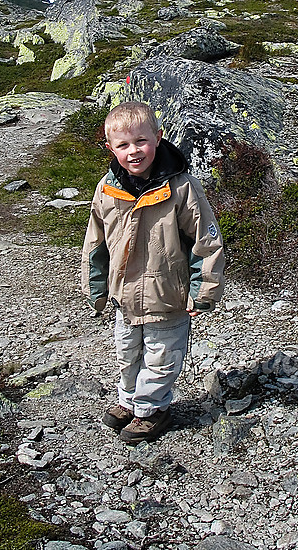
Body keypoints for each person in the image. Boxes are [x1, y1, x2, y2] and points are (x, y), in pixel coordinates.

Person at [81, 101, 225, 444]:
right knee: (126, 352)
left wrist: (203, 289)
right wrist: (96, 287)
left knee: (161, 358)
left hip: (168, 297)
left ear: (158, 138)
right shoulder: (107, 188)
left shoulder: (182, 187)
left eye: (141, 141)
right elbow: (95, 242)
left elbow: (206, 239)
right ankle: (129, 402)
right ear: (110, 148)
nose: (134, 151)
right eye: (123, 145)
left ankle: (152, 410)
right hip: (124, 297)